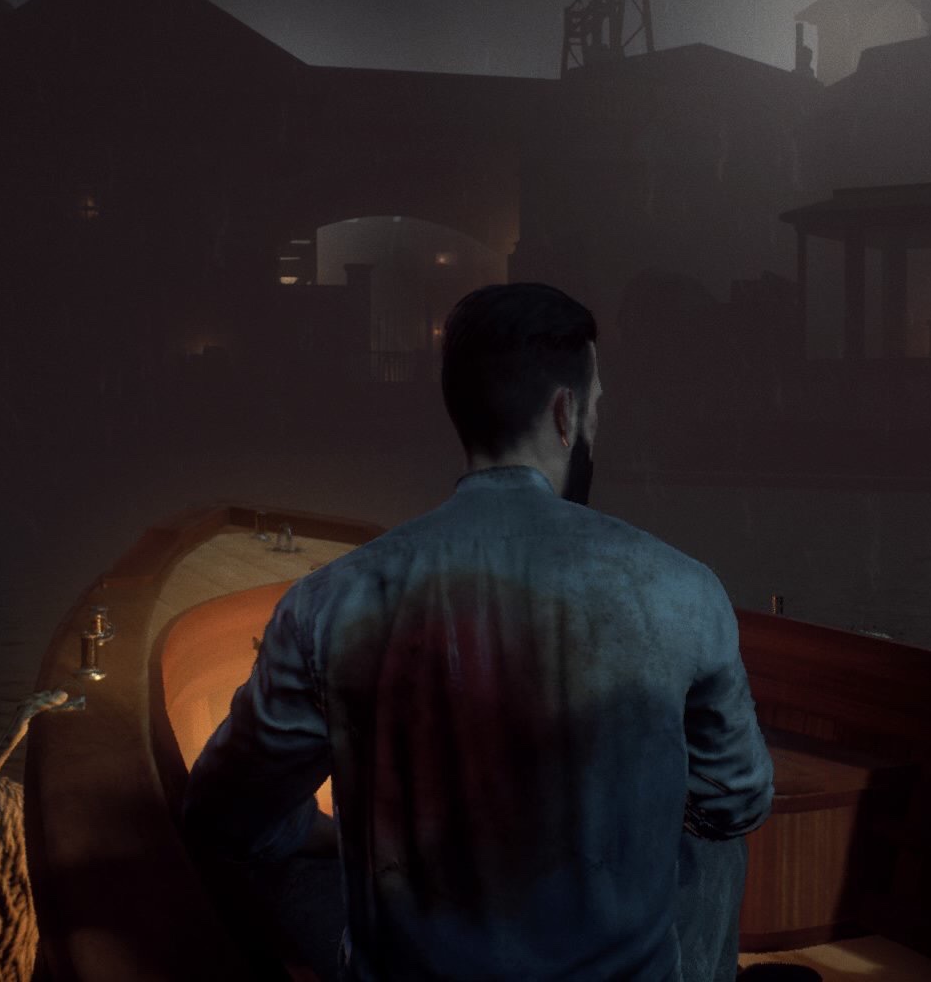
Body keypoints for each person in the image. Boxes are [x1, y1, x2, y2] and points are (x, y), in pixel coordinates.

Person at [182, 282, 774, 981]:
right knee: (714, 842)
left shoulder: (327, 601)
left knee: (270, 855)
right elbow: (737, 798)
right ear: (566, 414)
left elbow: (225, 809)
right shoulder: (682, 588)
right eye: (595, 408)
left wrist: (333, 837)